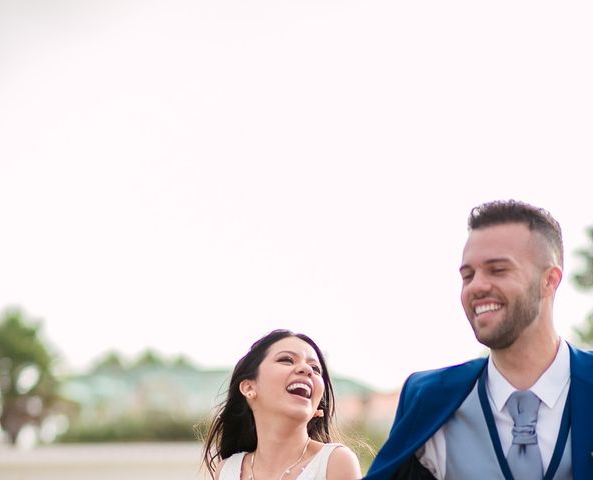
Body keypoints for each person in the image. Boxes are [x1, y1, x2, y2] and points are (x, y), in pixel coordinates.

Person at [365, 200, 593, 479]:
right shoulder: (428, 398)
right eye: (467, 275)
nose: (477, 286)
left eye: (498, 270)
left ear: (550, 280)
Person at [202, 328, 362, 480]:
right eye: (287, 360)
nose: (307, 369)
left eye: (315, 368)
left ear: (317, 407)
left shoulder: (336, 462)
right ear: (249, 387)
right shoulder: (227, 470)